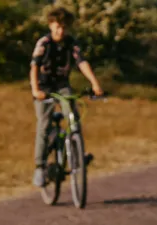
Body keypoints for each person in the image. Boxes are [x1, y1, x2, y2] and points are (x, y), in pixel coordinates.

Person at [30, 7, 104, 187]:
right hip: (44, 87)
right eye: (57, 27)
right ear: (50, 26)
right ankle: (40, 167)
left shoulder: (71, 43)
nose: (60, 31)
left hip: (62, 86)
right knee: (44, 125)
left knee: (73, 115)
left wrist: (95, 83)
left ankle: (77, 152)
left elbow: (82, 62)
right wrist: (35, 89)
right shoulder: (44, 43)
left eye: (64, 28)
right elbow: (33, 67)